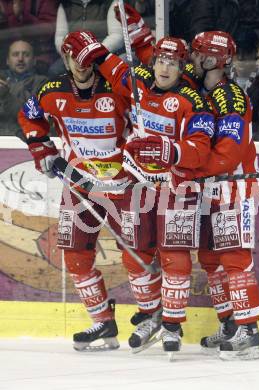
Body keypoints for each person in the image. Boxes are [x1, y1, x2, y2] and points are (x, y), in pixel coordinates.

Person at [63, 27, 215, 355]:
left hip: (176, 187)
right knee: (136, 256)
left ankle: (172, 325)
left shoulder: (192, 101)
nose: (164, 68)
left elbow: (201, 149)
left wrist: (169, 150)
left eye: (172, 64)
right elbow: (109, 65)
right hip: (136, 185)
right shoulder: (137, 83)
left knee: (174, 256)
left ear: (181, 68)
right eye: (160, 60)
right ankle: (151, 314)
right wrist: (94, 48)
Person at [17, 31, 132, 352]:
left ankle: (154, 315)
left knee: (138, 254)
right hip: (79, 184)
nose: (80, 66)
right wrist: (42, 150)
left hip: (122, 184)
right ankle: (102, 321)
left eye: (85, 60)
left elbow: (144, 122)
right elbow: (28, 117)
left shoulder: (116, 89)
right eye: (73, 60)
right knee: (76, 254)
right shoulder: (52, 90)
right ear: (66, 60)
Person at [184, 31, 259, 360]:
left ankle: (250, 331)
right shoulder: (200, 91)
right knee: (210, 259)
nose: (191, 59)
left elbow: (229, 154)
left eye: (196, 54)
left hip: (234, 186)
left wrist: (190, 171)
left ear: (211, 59)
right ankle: (230, 324)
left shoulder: (230, 97)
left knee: (234, 259)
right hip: (208, 188)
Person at [51, 0, 123, 76]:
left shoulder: (110, 2)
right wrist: (71, 55)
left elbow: (117, 35)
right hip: (74, 56)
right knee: (55, 70)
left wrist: (93, 53)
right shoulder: (66, 4)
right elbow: (60, 37)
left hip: (102, 53)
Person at [0, 39, 48, 137]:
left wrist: (6, 96)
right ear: (7, 61)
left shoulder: (42, 83)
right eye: (15, 54)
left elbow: (33, 116)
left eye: (26, 54)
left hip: (26, 140)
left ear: (34, 61)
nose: (20, 59)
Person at [0, 0, 60, 71]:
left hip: (40, 59)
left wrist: (21, 15)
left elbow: (47, 32)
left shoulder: (42, 2)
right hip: (6, 60)